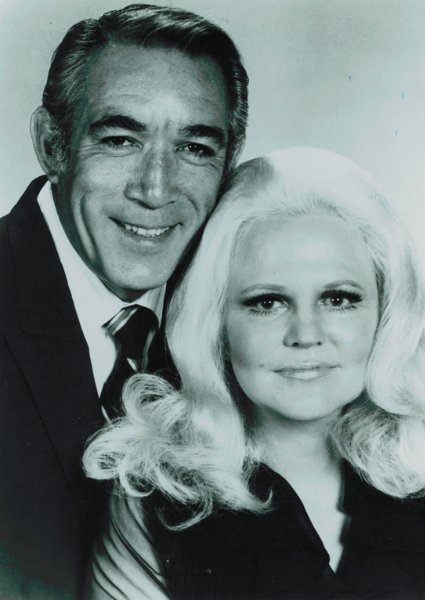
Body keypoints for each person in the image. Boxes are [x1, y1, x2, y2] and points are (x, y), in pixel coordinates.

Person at [84, 147, 425, 600]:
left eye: (339, 299)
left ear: (384, 313)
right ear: (216, 323)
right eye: (267, 302)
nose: (306, 335)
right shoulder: (155, 501)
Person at [0, 4, 248, 599]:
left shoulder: (250, 327)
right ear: (52, 144)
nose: (155, 189)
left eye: (195, 148)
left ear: (229, 164)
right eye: (120, 139)